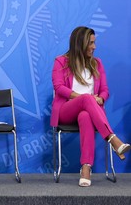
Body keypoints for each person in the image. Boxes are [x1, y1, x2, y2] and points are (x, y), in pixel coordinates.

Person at [50, 26, 130, 187]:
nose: (94, 47)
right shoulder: (61, 61)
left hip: (89, 112)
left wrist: (100, 98)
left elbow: (105, 90)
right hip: (67, 110)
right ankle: (113, 140)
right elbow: (59, 87)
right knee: (87, 99)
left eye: (94, 43)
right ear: (80, 43)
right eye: (91, 43)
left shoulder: (97, 63)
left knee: (86, 115)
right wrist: (86, 98)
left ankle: (86, 168)